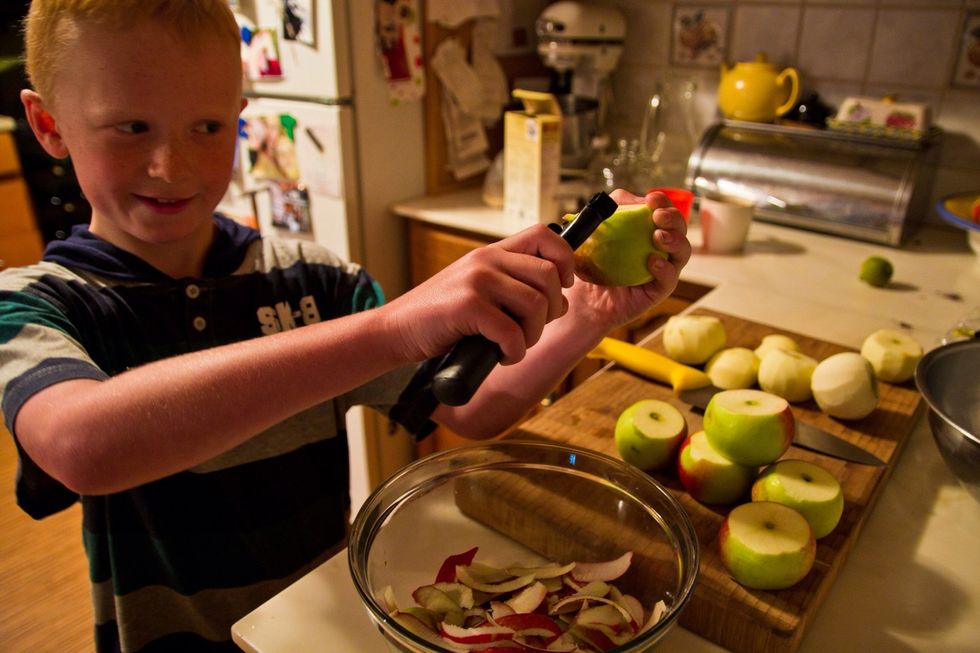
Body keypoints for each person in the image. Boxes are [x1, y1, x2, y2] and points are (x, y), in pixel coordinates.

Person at [0, 1, 691, 651]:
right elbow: (83, 444)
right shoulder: (37, 304)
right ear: (49, 125)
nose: (170, 165)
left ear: (241, 117)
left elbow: (468, 406)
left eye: (207, 127)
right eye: (131, 127)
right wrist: (392, 328)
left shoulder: (314, 279)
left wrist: (589, 320)